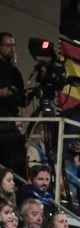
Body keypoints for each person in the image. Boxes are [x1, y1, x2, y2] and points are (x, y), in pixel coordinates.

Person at [0, 32, 26, 174]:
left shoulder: (15, 72)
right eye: (7, 45)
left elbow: (22, 101)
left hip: (12, 123)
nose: (11, 48)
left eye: (13, 45)